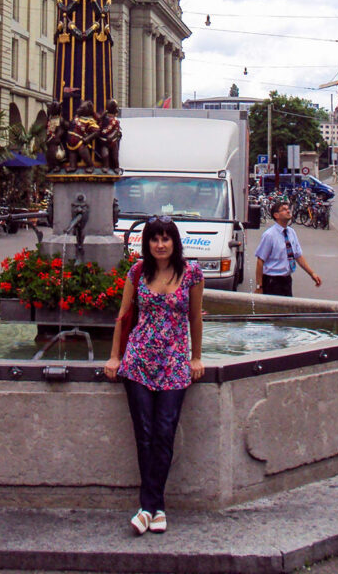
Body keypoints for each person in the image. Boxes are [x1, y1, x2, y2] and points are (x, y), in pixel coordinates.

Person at [104, 217, 204, 536]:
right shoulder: (137, 271)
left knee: (164, 431)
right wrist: (114, 356)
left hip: (174, 363)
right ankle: (154, 509)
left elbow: (195, 319)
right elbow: (123, 315)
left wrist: (196, 357)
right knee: (144, 432)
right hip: (138, 362)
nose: (160, 244)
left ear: (175, 242)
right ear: (146, 243)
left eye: (165, 238)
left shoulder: (192, 273)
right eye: (154, 239)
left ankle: (148, 507)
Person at [254, 200, 322, 298]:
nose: (288, 211)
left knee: (286, 311)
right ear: (276, 215)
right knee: (274, 312)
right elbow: (260, 261)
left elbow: (298, 256)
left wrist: (312, 274)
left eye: (288, 208)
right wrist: (259, 286)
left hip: (286, 280)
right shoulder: (269, 235)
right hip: (272, 281)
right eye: (284, 210)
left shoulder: (291, 232)